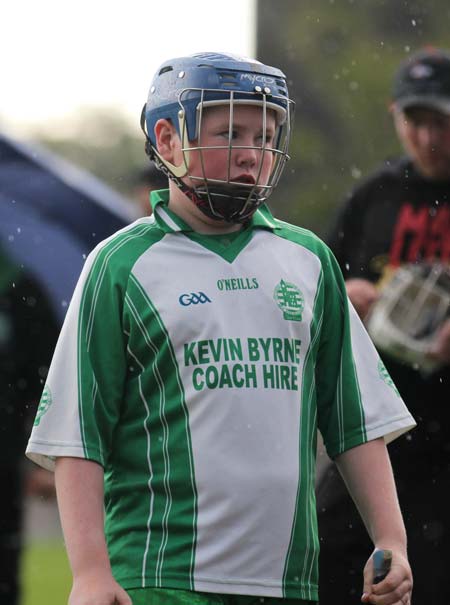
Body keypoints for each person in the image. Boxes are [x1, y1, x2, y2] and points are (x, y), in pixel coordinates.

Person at [26, 52, 414, 605]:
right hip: (157, 580)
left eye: (266, 134)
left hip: (287, 581)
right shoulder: (119, 264)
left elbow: (356, 421)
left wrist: (392, 539)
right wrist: (90, 572)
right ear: (167, 140)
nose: (252, 154)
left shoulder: (309, 261)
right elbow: (78, 436)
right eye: (229, 132)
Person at [316, 47, 450, 604]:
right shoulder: (373, 197)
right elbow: (316, 295)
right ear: (396, 115)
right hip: (378, 426)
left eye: (441, 121)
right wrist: (345, 296)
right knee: (326, 560)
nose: (427, 137)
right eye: (415, 121)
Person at [0, 246, 59, 605]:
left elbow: (49, 380)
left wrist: (45, 456)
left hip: (4, 461)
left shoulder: (19, 288)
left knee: (4, 572)